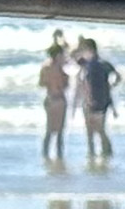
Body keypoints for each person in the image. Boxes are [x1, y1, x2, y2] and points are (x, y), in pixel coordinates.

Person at [75, 34, 117, 162]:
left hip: (91, 100)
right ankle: (104, 154)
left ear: (89, 49)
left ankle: (94, 154)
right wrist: (110, 86)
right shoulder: (103, 64)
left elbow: (74, 58)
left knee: (92, 131)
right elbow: (117, 76)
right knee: (100, 130)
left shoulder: (89, 64)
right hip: (103, 100)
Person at [36, 31, 71, 164]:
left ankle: (45, 156)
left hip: (49, 99)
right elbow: (65, 86)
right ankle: (59, 157)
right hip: (60, 100)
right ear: (58, 55)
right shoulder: (60, 69)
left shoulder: (45, 68)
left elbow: (41, 84)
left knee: (49, 130)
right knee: (60, 131)